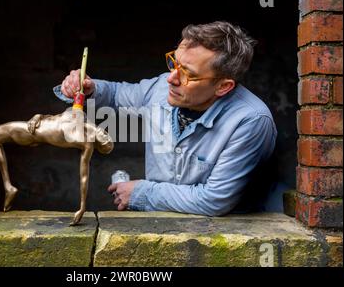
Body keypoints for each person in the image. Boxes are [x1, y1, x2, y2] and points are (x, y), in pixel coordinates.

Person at [52, 21, 277, 216]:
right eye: (174, 62)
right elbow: (116, 95)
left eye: (187, 73)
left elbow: (214, 200)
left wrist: (140, 192)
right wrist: (89, 88)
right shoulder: (161, 87)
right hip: (161, 223)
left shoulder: (250, 121)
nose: (171, 78)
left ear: (223, 86)